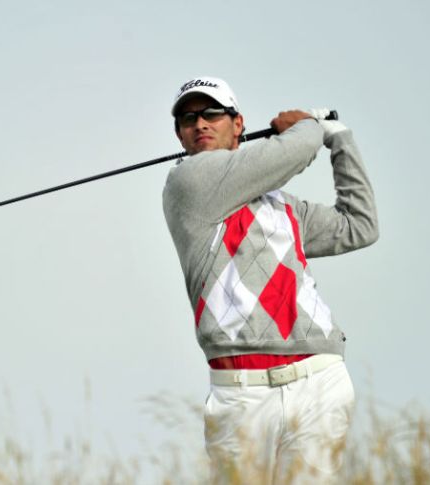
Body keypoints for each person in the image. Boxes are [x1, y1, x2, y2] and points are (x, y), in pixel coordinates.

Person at [161, 77, 379, 484]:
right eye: (188, 118)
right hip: (241, 391)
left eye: (211, 113)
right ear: (180, 136)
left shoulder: (283, 206)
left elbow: (359, 225)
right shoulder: (187, 184)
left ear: (238, 124)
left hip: (319, 377)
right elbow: (292, 151)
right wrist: (312, 125)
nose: (200, 124)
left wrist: (342, 140)